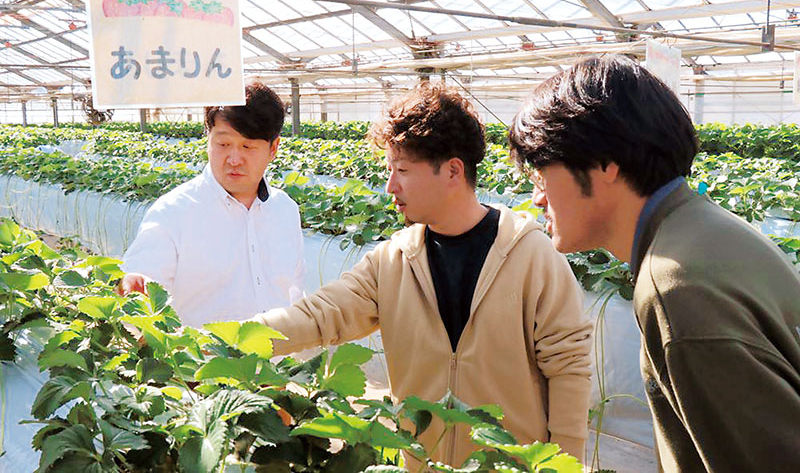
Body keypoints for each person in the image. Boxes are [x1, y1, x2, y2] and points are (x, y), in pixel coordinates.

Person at [251, 82, 592, 467]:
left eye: (402, 171)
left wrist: (565, 464)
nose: (389, 186)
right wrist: (231, 341)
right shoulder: (393, 260)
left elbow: (569, 371)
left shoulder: (532, 255)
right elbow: (319, 315)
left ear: (452, 170)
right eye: (388, 170)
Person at [508, 54, 800, 472]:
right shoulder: (708, 231)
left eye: (541, 172)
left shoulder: (676, 287)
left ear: (605, 162)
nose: (538, 198)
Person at [119, 82, 305, 328]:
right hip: (205, 365)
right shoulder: (174, 213)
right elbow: (141, 287)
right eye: (223, 144)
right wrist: (133, 287)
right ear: (208, 139)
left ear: (273, 148)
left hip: (277, 363)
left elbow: (294, 292)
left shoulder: (285, 210)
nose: (234, 159)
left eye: (248, 146)